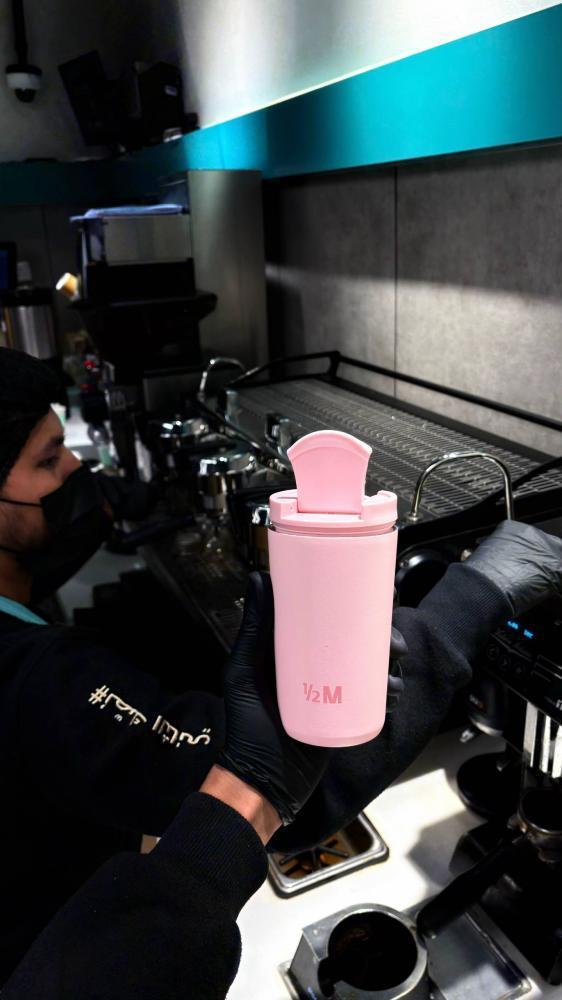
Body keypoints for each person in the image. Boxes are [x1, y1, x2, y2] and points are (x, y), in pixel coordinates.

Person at [0, 346, 561, 994]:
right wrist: (470, 601)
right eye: (48, 460)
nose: (77, 464)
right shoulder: (35, 680)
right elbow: (269, 781)